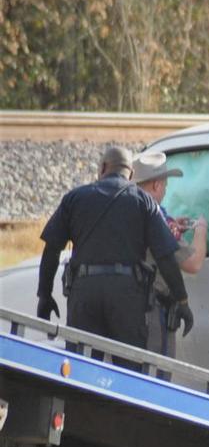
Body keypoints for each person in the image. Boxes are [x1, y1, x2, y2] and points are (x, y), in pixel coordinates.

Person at [35, 146, 193, 361]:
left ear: (102, 168)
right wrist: (182, 301)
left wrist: (44, 295)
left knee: (82, 369)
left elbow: (52, 249)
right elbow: (165, 256)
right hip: (127, 298)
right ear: (131, 174)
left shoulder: (74, 198)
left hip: (84, 295)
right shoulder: (144, 201)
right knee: (128, 371)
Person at [131, 151, 207, 357]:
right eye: (165, 185)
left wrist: (172, 227)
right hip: (153, 310)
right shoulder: (156, 216)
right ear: (156, 185)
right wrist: (201, 230)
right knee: (157, 375)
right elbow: (193, 263)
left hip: (128, 307)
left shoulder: (129, 208)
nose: (165, 191)